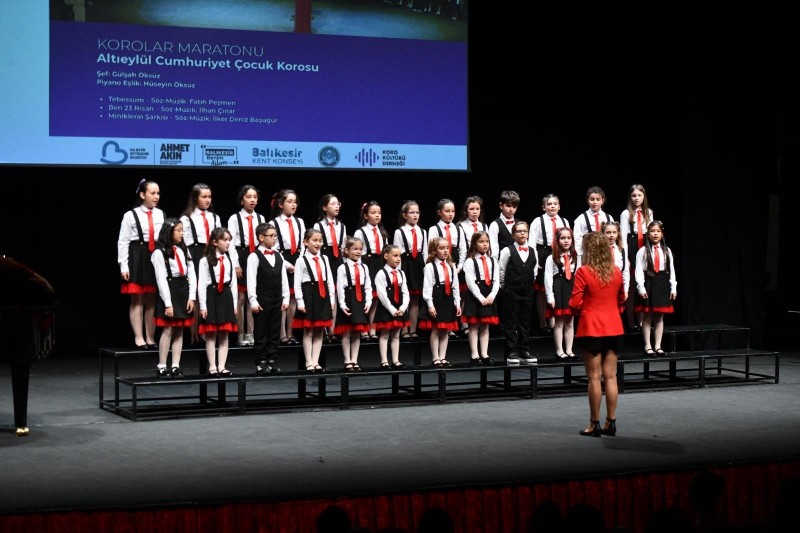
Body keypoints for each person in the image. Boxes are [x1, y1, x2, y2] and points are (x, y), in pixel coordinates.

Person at [568, 231, 626, 437]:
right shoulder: (616, 271)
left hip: (591, 327)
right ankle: (611, 421)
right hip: (614, 327)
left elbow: (574, 303)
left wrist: (585, 308)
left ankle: (594, 424)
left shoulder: (584, 272)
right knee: (611, 376)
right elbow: (622, 299)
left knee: (594, 378)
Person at [117, 178, 164, 349]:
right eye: (152, 193)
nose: (156, 196)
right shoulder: (130, 215)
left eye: (158, 193)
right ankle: (139, 337)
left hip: (155, 256)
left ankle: (150, 337)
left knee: (152, 299)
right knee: (137, 298)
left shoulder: (160, 214)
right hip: (137, 255)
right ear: (143, 194)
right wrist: (124, 265)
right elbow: (123, 241)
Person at [151, 218, 196, 379]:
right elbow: (161, 279)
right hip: (169, 290)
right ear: (169, 232)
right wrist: (168, 303)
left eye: (182, 230)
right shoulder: (159, 252)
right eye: (178, 230)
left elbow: (192, 273)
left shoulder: (184, 249)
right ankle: (162, 365)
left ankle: (176, 365)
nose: (181, 233)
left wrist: (192, 297)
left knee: (179, 329)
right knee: (168, 329)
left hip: (183, 290)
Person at [181, 183, 222, 345]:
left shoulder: (214, 217)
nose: (207, 200)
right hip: (195, 254)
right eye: (204, 197)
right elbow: (184, 242)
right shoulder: (187, 218)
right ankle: (194, 334)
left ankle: (207, 331)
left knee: (209, 291)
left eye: (209, 197)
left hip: (211, 254)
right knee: (196, 293)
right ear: (195, 198)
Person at [247, 222, 290, 375]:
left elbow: (284, 278)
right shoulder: (254, 257)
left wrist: (286, 298)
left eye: (275, 236)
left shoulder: (278, 255)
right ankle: (261, 361)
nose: (274, 239)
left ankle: (273, 359)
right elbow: (251, 280)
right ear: (261, 237)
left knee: (274, 330)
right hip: (262, 300)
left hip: (277, 298)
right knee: (261, 331)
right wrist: (253, 300)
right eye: (271, 236)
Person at [292, 228, 336, 373]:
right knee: (308, 331)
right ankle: (308, 361)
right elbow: (297, 283)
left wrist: (331, 299)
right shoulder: (301, 260)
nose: (318, 243)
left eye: (320, 241)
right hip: (308, 295)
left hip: (322, 296)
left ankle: (316, 361)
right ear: (306, 242)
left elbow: (329, 280)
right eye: (314, 240)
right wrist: (300, 302)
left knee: (319, 331)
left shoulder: (324, 259)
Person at [227, 184, 266, 347]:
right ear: (242, 199)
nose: (252, 200)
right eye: (249, 197)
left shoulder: (260, 218)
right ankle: (240, 333)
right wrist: (235, 264)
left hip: (255, 255)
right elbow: (230, 243)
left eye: (255, 197)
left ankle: (251, 333)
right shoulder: (234, 218)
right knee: (241, 298)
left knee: (253, 296)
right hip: (241, 255)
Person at [197, 227, 238, 376]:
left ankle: (222, 366)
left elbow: (233, 284)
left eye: (229, 240)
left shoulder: (229, 259)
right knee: (211, 334)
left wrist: (234, 304)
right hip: (212, 295)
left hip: (225, 296)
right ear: (215, 242)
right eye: (224, 240)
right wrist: (203, 306)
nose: (228, 243)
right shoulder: (204, 261)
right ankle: (212, 366)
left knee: (224, 334)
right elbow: (201, 284)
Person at [635, 220, 677, 356]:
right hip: (649, 282)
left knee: (659, 317)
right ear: (648, 234)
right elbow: (639, 270)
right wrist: (641, 287)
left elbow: (671, 270)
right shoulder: (642, 251)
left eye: (658, 231)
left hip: (662, 283)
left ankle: (658, 346)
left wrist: (673, 287)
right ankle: (648, 346)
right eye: (652, 231)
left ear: (662, 234)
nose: (655, 234)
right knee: (647, 317)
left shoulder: (667, 250)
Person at [498, 221, 538, 365]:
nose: (522, 234)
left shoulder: (533, 251)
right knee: (511, 321)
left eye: (524, 231)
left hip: (527, 291)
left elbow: (534, 271)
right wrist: (505, 287)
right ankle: (512, 351)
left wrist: (528, 283)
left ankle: (524, 350)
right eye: (519, 231)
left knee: (525, 321)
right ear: (513, 234)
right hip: (511, 290)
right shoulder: (507, 251)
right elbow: (501, 270)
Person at [270, 189, 306, 346]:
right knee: (283, 296)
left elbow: (304, 243)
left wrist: (300, 261)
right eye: (289, 201)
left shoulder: (300, 222)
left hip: (297, 259)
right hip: (282, 259)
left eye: (295, 202)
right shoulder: (274, 223)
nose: (293, 205)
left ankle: (291, 333)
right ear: (280, 204)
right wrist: (285, 264)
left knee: (293, 298)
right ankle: (282, 333)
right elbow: (273, 247)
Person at [418, 237, 461, 367]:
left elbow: (455, 286)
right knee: (436, 329)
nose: (445, 251)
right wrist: (430, 305)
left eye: (447, 248)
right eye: (442, 248)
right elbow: (427, 288)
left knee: (445, 330)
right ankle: (435, 357)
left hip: (448, 299)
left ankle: (443, 357)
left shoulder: (451, 266)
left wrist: (457, 303)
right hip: (436, 298)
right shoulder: (430, 267)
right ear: (434, 251)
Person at [427, 198, 466, 338]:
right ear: (439, 212)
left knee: (455, 293)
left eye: (453, 211)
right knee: (442, 295)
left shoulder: (458, 228)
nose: (450, 214)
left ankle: (454, 325)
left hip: (454, 264)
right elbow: (430, 250)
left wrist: (459, 267)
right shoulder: (434, 229)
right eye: (447, 211)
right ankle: (443, 325)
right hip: (439, 264)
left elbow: (463, 249)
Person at [531, 193, 570, 334]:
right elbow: (532, 243)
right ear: (543, 207)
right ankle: (543, 321)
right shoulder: (538, 221)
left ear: (559, 206)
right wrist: (535, 261)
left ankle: (554, 317)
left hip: (560, 253)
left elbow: (569, 239)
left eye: (555, 204)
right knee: (542, 289)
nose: (552, 206)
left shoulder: (564, 221)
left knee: (557, 286)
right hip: (543, 252)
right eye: (549, 204)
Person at [334, 236, 373, 372]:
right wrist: (342, 304)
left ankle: (355, 360)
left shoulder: (364, 267)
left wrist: (368, 301)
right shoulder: (342, 268)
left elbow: (368, 286)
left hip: (360, 299)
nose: (358, 252)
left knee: (357, 332)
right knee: (347, 332)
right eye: (355, 249)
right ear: (347, 250)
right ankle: (347, 360)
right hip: (348, 299)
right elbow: (340, 287)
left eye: (360, 249)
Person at [461, 230, 499, 364]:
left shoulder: (493, 260)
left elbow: (496, 280)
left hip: (489, 293)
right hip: (476, 296)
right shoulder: (470, 262)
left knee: (485, 326)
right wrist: (481, 298)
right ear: (474, 244)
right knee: (474, 326)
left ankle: (484, 353)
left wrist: (492, 295)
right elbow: (470, 283)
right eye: (481, 242)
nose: (485, 244)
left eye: (487, 241)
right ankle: (474, 354)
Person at [620, 184, 654, 332]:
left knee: (644, 283)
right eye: (634, 195)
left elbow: (651, 233)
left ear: (644, 196)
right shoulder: (626, 213)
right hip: (632, 245)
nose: (636, 198)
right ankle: (630, 320)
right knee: (632, 286)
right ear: (630, 197)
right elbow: (623, 236)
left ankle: (641, 320)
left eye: (639, 195)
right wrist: (626, 257)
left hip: (645, 247)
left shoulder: (648, 212)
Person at [314, 193, 346, 342]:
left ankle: (333, 329)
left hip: (338, 260)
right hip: (325, 258)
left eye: (338, 203)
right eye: (333, 204)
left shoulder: (342, 226)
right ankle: (324, 330)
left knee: (337, 293)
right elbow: (316, 246)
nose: (336, 206)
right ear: (325, 207)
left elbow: (344, 248)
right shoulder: (319, 225)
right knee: (325, 293)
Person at [373, 244, 410, 369]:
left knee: (396, 335)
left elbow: (405, 292)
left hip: (399, 307)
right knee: (384, 335)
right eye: (395, 256)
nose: (398, 259)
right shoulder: (381, 274)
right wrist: (392, 309)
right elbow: (382, 294)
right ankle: (384, 361)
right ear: (386, 256)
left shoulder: (401, 273)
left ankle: (395, 360)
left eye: (399, 256)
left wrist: (403, 308)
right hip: (387, 307)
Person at [356, 200, 389, 340]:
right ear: (365, 216)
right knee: (366, 297)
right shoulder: (361, 232)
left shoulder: (382, 232)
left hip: (379, 264)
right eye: (373, 213)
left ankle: (373, 329)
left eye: (379, 213)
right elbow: (356, 251)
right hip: (366, 264)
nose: (377, 215)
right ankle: (364, 329)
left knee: (376, 298)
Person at [456, 194, 489, 338]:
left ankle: (478, 321)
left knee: (480, 291)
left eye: (477, 209)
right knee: (465, 294)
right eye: (471, 209)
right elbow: (461, 247)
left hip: (482, 263)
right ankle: (464, 324)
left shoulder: (484, 226)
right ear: (466, 211)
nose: (475, 212)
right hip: (468, 262)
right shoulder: (461, 226)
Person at [393, 199, 426, 340]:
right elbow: (397, 252)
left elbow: (425, 253)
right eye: (412, 212)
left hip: (418, 265)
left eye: (417, 212)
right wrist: (398, 272)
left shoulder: (422, 231)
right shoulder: (400, 232)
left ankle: (413, 329)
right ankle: (404, 330)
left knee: (415, 299)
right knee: (404, 298)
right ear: (405, 215)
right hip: (405, 264)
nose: (415, 215)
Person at [544, 227, 578, 359]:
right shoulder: (551, 258)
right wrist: (550, 296)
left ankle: (569, 349)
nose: (566, 241)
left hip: (571, 290)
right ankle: (559, 350)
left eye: (568, 238)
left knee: (570, 322)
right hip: (558, 290)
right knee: (559, 322)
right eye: (563, 238)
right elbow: (548, 278)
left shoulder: (576, 257)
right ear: (557, 240)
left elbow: (579, 275)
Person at [573, 186, 614, 256]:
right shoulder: (581, 219)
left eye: (598, 199)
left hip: (605, 254)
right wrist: (580, 256)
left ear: (602, 200)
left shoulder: (608, 218)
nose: (595, 202)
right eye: (592, 199)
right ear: (588, 200)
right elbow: (577, 240)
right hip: (588, 254)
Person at [603, 220, 630, 325]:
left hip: (617, 286)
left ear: (618, 233)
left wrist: (626, 289)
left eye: (614, 232)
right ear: (603, 233)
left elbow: (625, 270)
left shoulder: (621, 250)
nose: (611, 235)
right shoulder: (599, 250)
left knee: (615, 314)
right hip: (603, 285)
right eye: (608, 232)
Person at [488, 189, 520, 261]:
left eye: (514, 207)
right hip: (502, 263)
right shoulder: (495, 225)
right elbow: (494, 250)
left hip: (518, 263)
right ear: (501, 205)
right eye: (508, 206)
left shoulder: (519, 224)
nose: (511, 209)